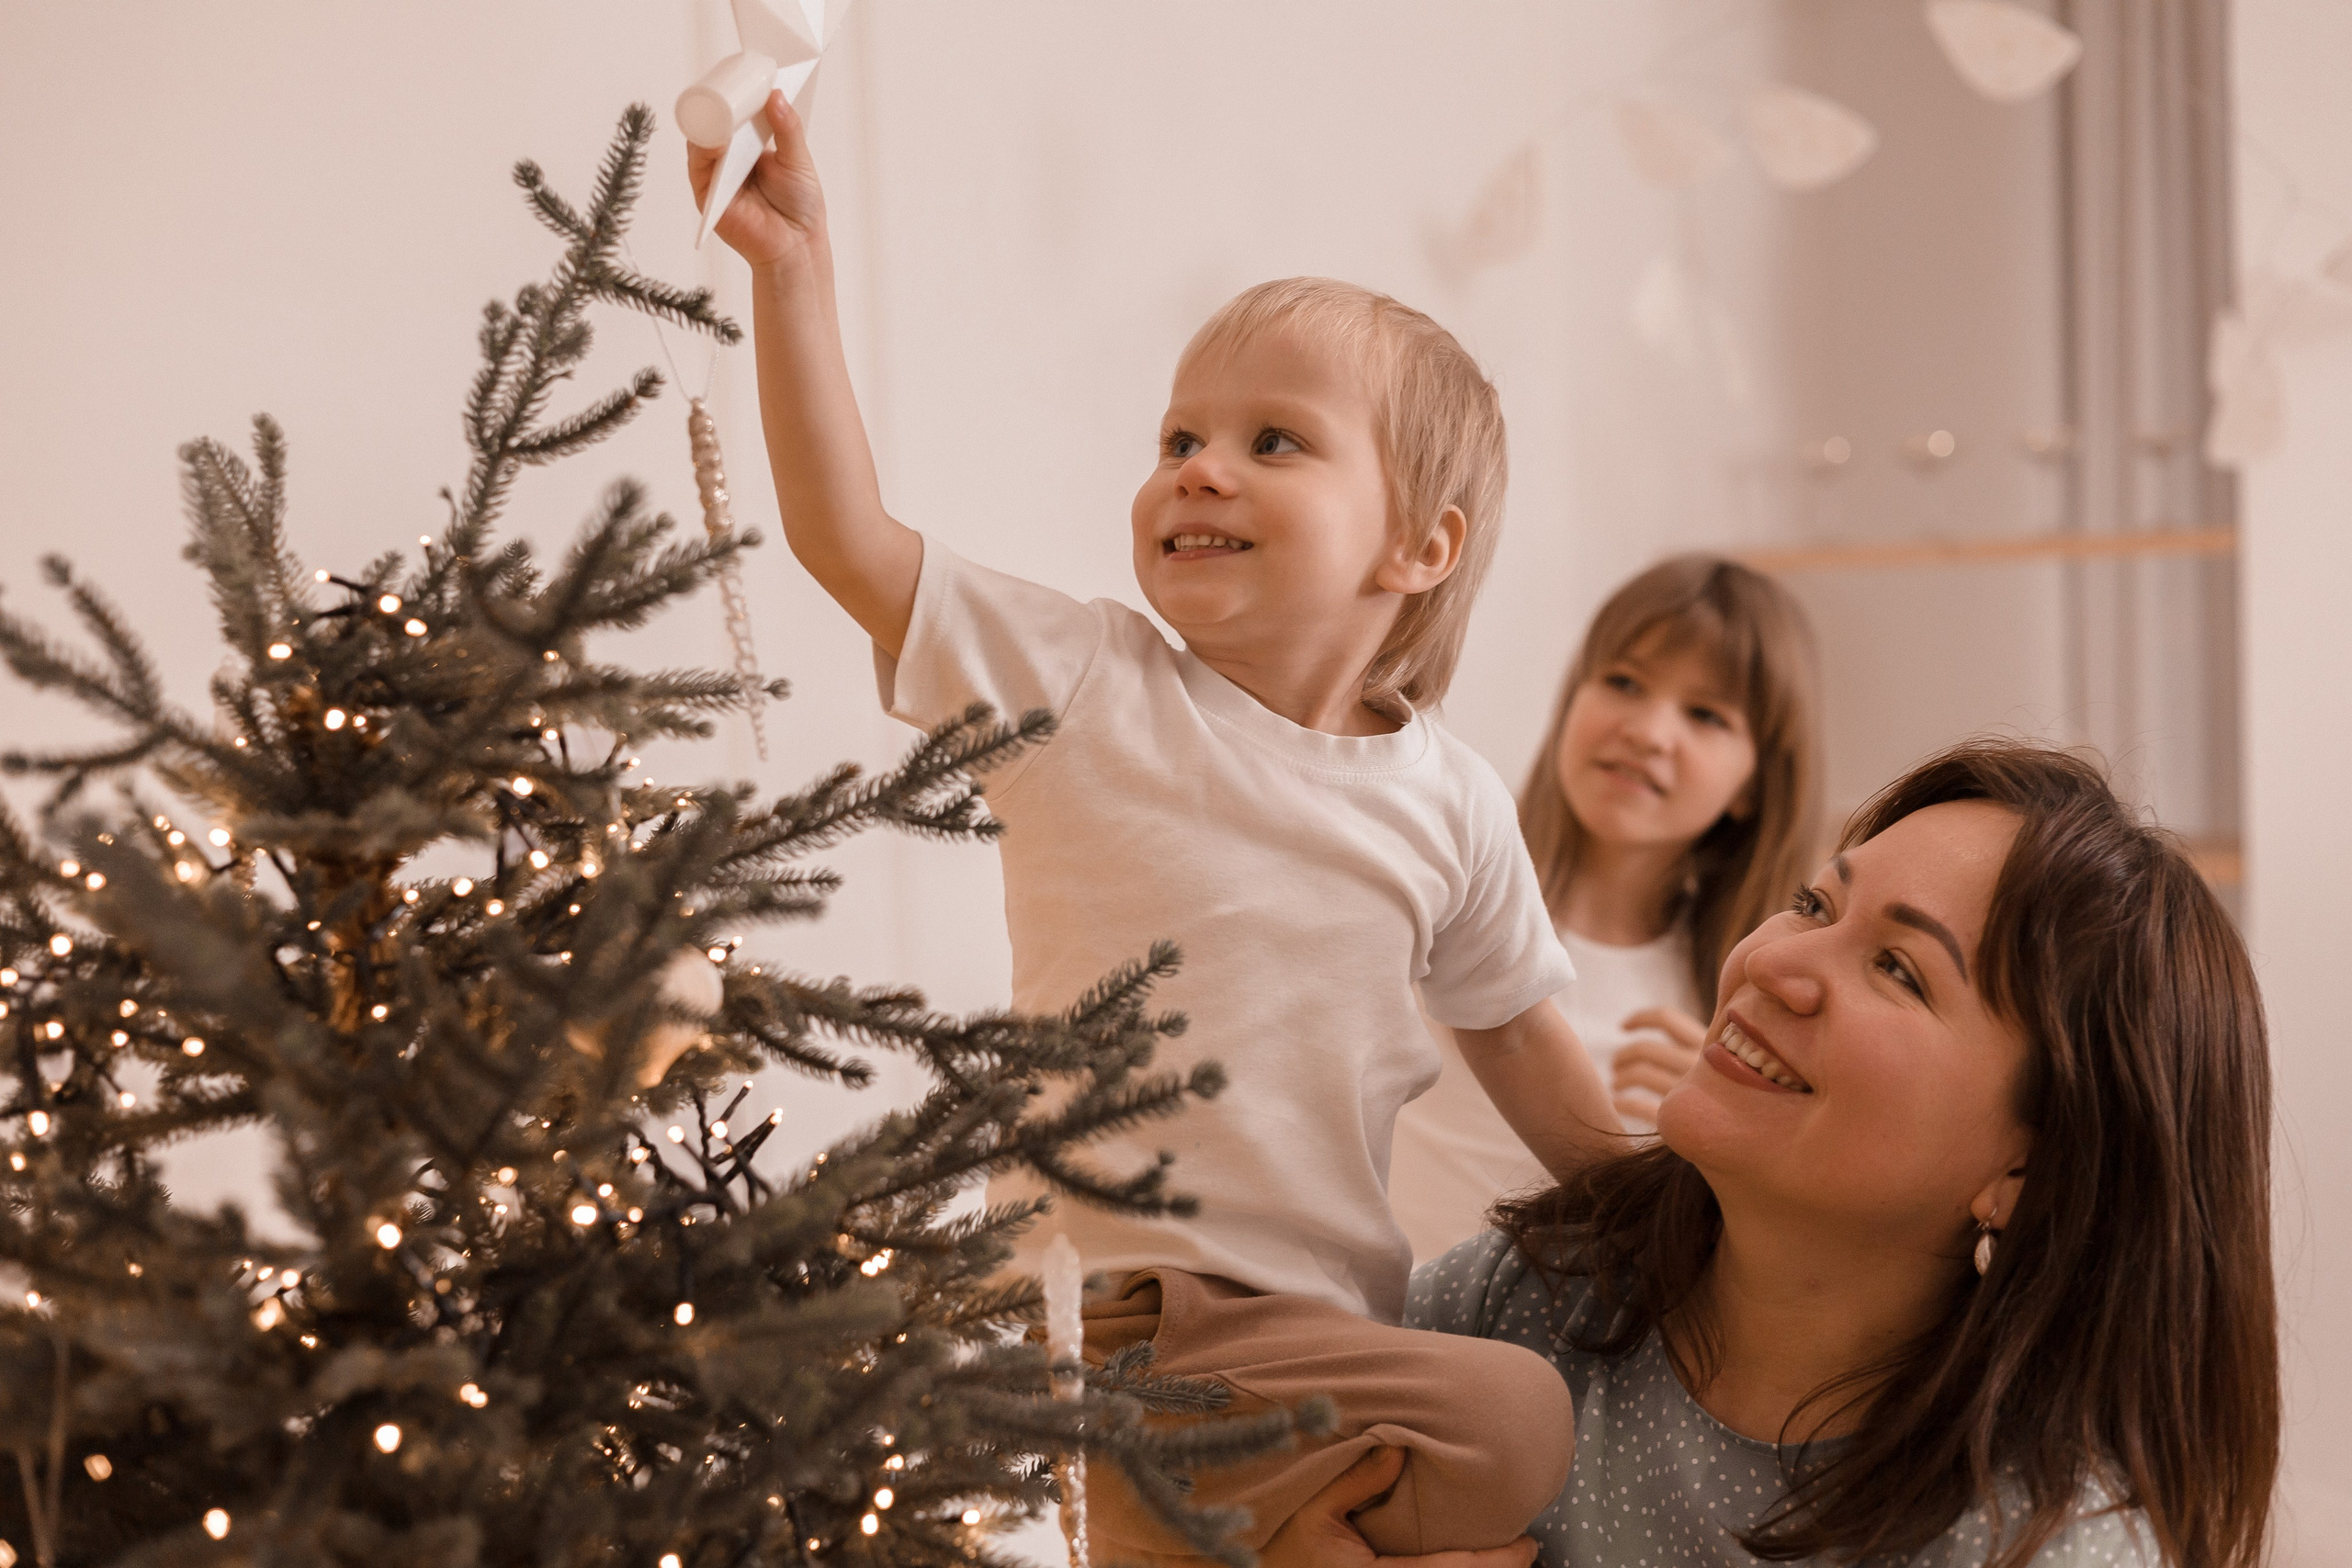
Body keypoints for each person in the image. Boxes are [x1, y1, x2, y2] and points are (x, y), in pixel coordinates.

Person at [692, 94, 1624, 1562]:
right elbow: (846, 536)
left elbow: (1541, 1074)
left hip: (1311, 1345)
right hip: (1094, 1305)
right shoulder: (1086, 683)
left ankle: (1200, 1530)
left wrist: (1716, 1216)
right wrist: (793, 274)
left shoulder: (1449, 802)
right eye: (1181, 433)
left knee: (1520, 1423)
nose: (1200, 465)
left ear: (1419, 545)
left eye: (1274, 441)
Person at [1272, 739, 2278, 1568]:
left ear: (2031, 1173)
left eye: (1897, 968)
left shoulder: (2032, 1546)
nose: (1775, 965)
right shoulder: (1538, 1297)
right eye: (1812, 905)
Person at [1391, 556, 1820, 1262]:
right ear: (1571, 702)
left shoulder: (1738, 1003)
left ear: (1754, 784)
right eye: (1623, 682)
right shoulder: (1438, 879)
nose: (1650, 731)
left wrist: (1738, 1124)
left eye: (1706, 714)